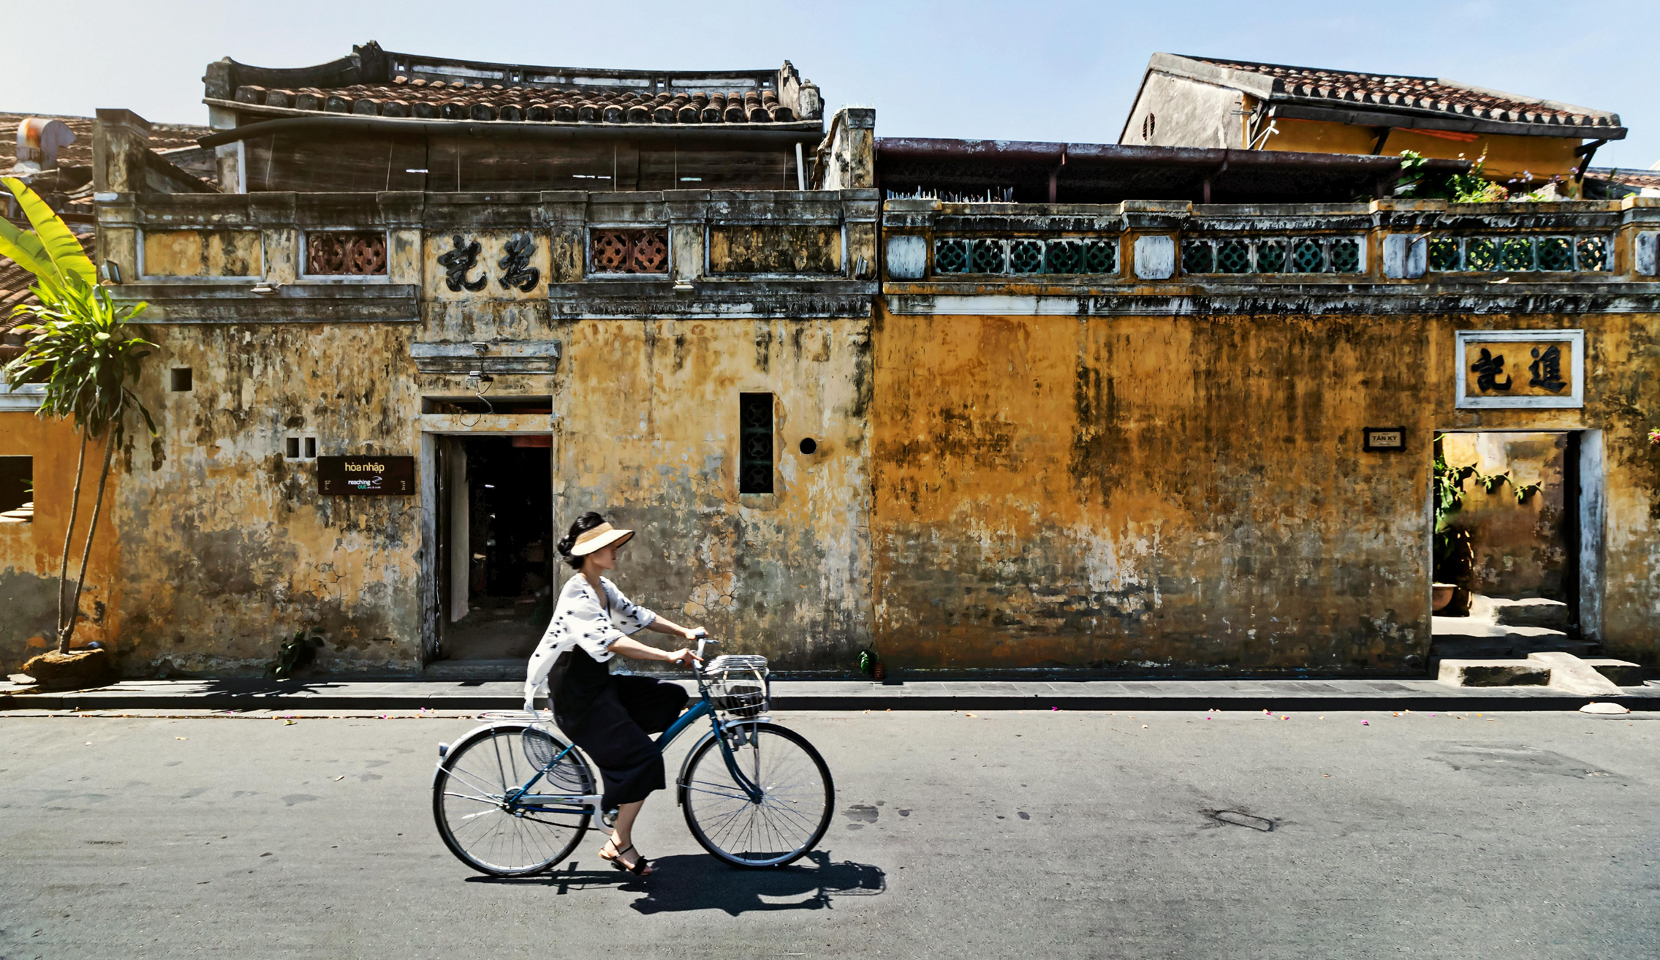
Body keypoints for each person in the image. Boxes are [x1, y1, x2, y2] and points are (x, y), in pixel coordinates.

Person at [523, 512, 703, 877]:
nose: (617, 551)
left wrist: (683, 632)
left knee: (668, 697)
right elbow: (613, 640)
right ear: (591, 553)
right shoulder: (578, 591)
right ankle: (619, 841)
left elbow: (638, 616)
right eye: (609, 546)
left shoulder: (601, 586)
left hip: (596, 684)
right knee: (647, 759)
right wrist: (668, 655)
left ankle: (620, 773)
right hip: (577, 696)